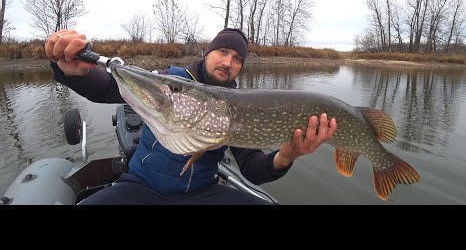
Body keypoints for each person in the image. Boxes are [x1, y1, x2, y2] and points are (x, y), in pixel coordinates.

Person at [45, 28, 337, 205]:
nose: (229, 62)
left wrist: (287, 154)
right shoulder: (167, 81)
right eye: (223, 51)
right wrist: (74, 72)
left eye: (238, 59)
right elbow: (109, 86)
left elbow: (252, 168)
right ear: (207, 52)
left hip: (201, 191)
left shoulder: (237, 106)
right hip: (141, 186)